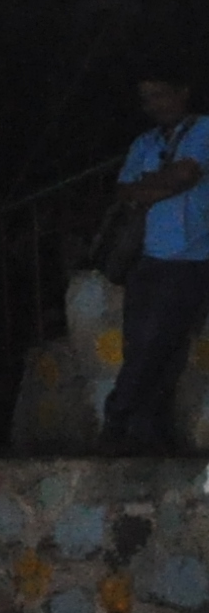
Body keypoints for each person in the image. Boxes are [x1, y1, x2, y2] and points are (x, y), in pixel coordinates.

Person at [104, 68, 209, 452]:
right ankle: (146, 429)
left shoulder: (203, 131)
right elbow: (124, 191)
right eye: (148, 98)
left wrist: (150, 186)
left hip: (191, 255)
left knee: (156, 342)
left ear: (183, 92)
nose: (155, 106)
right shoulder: (145, 141)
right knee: (146, 344)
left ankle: (118, 417)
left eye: (161, 95)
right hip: (149, 256)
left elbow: (184, 177)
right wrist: (161, 183)